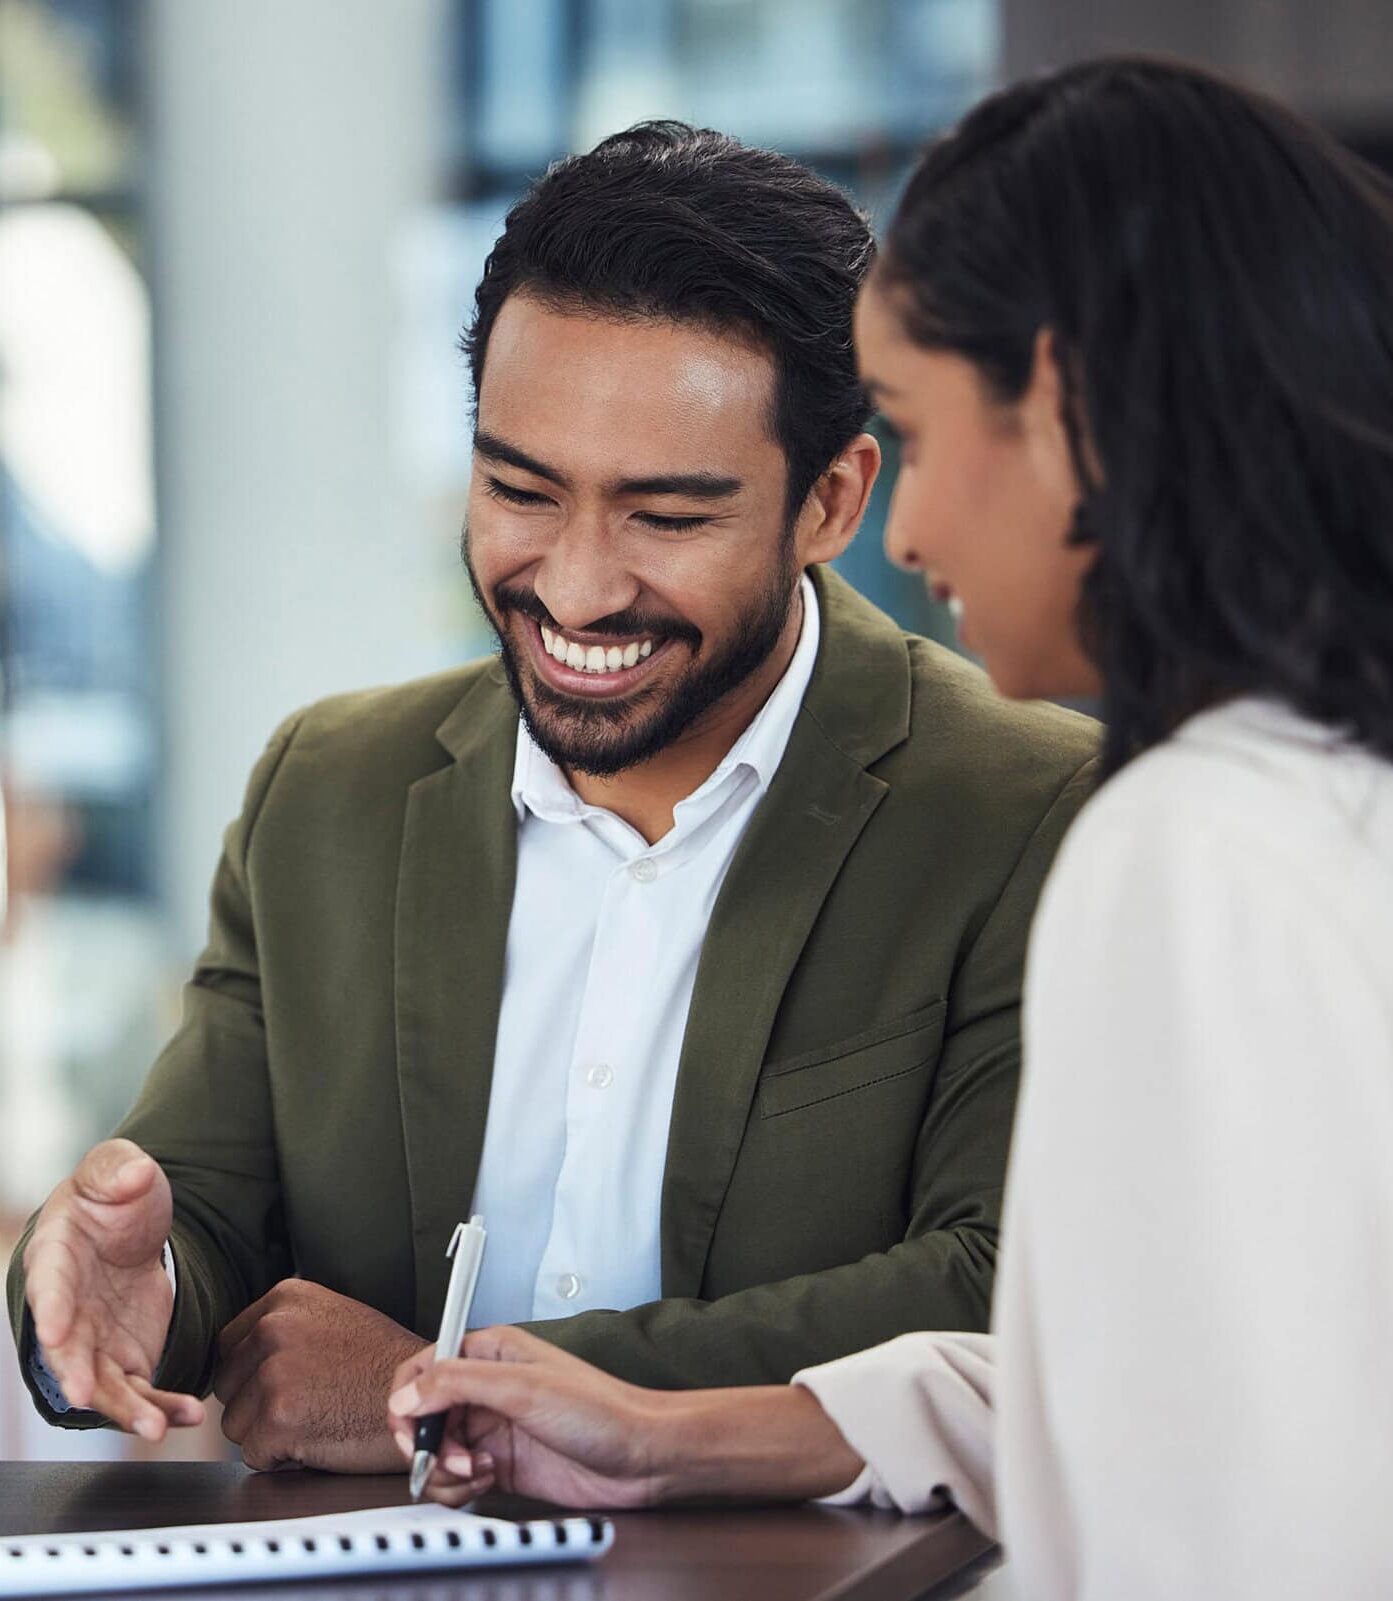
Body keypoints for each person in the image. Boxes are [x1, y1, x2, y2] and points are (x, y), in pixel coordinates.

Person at [385, 57, 1393, 1598]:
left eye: (915, 431)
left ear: (1060, 407)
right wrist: (678, 1434)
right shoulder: (1321, 795)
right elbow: (1157, 1378)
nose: (906, 535)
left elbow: (1235, 1533)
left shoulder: (1183, 842)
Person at [9, 124, 1100, 1471]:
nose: (576, 587)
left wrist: (440, 1390)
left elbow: (1003, 1289)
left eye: (667, 518)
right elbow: (203, 1207)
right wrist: (137, 1286)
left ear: (829, 501)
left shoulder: (1026, 808)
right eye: (519, 489)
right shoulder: (328, 793)